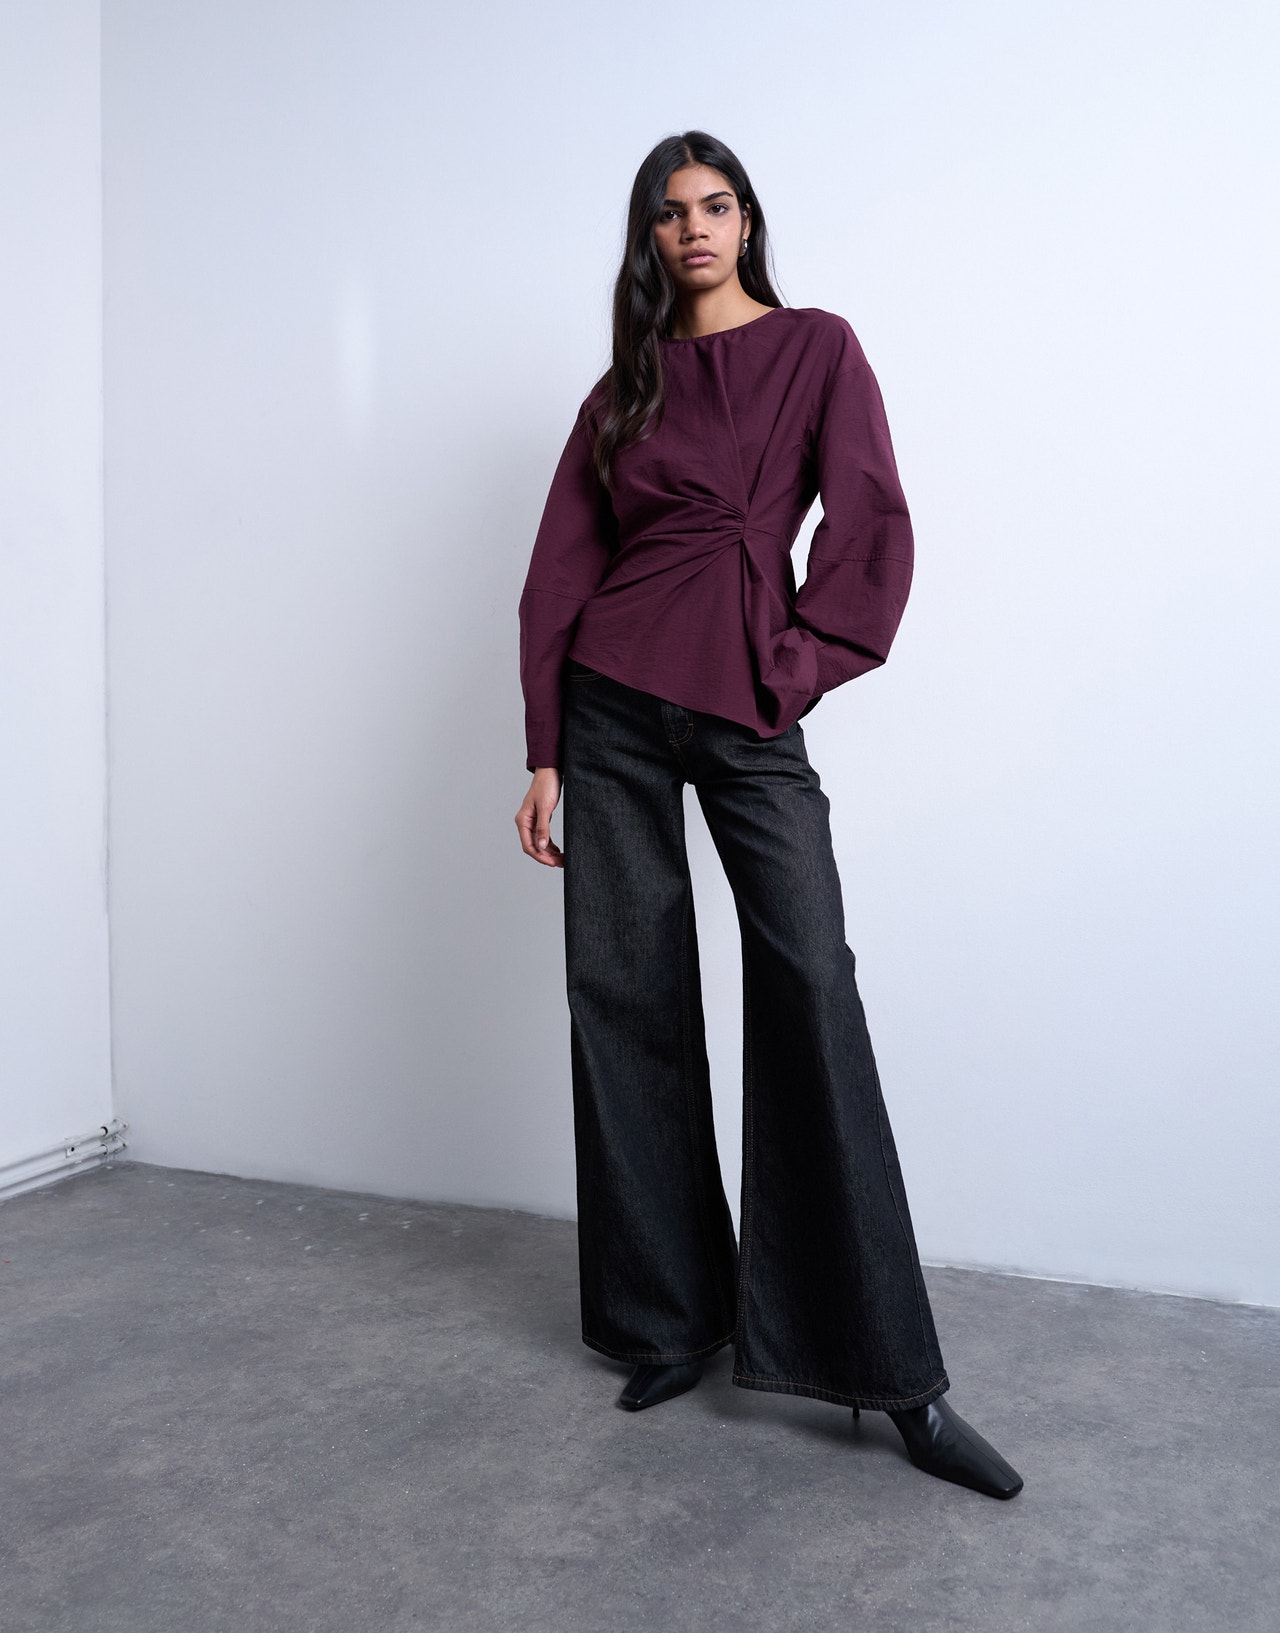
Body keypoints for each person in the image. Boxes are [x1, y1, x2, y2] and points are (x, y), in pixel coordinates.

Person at [514, 130, 1023, 1500]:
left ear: (747, 221)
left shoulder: (817, 349)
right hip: (612, 703)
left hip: (747, 705)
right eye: (669, 211)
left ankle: (895, 1376)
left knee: (810, 980)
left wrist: (792, 667)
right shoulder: (623, 387)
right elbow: (559, 569)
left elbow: (872, 527)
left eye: (716, 204)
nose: (694, 227)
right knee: (624, 996)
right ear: (648, 237)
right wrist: (546, 748)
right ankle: (669, 1320)